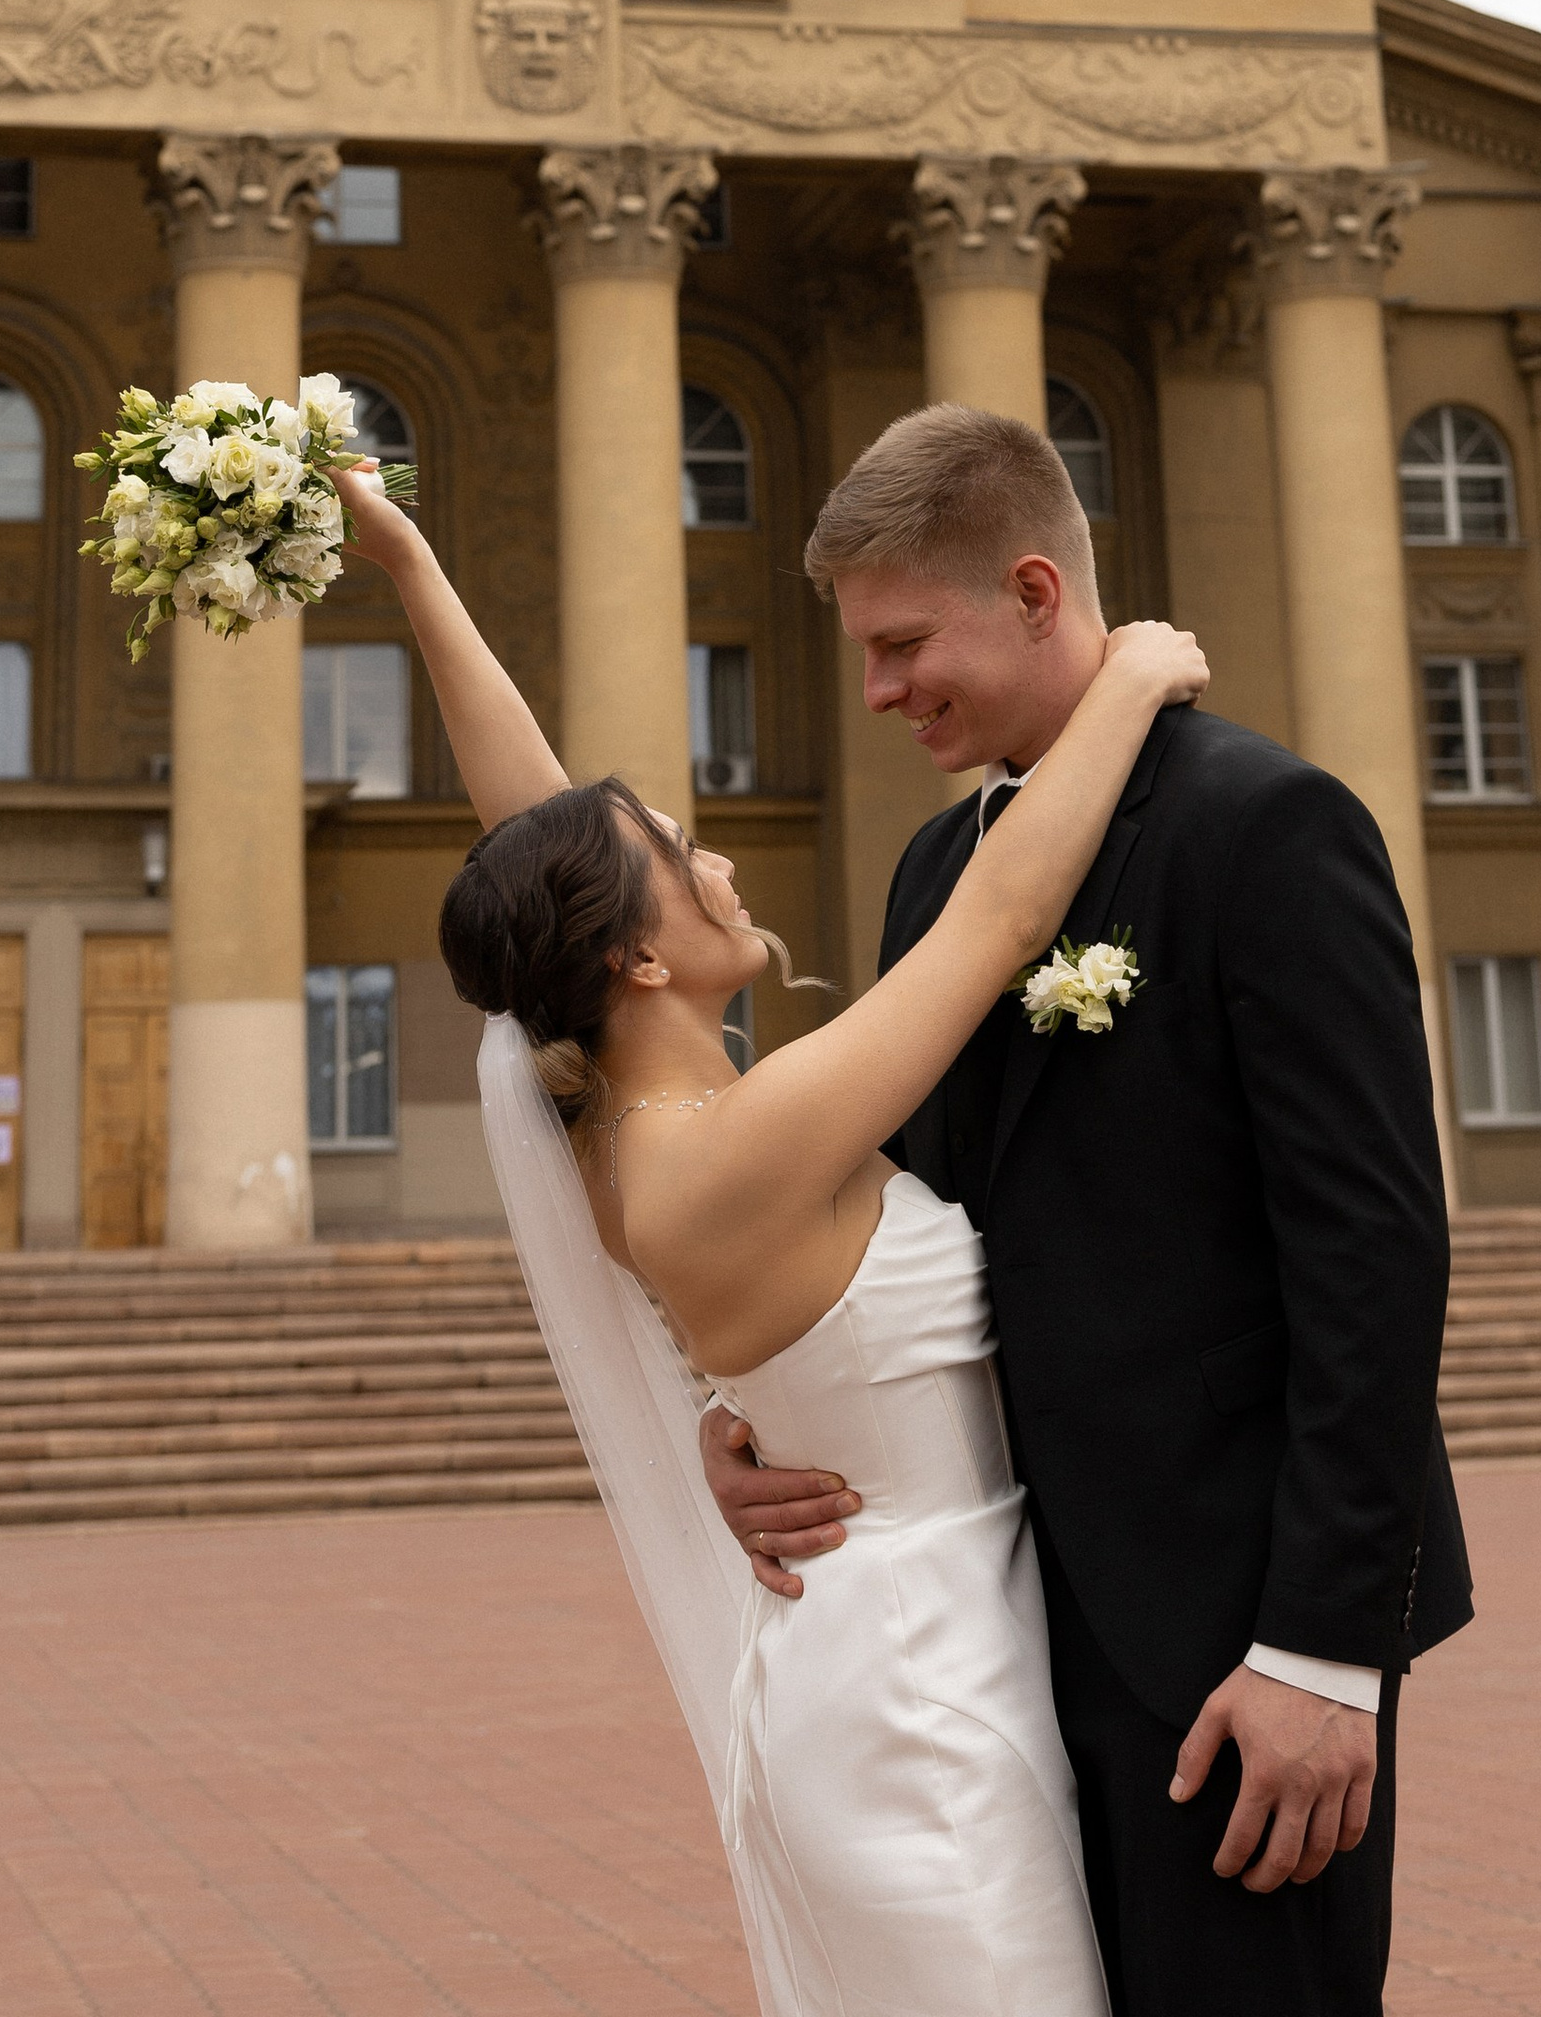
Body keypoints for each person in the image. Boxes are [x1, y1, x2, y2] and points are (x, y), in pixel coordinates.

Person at [331, 448, 1210, 2017]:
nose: (720, 861)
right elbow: (1001, 919)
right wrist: (1133, 673)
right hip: (921, 1695)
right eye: (684, 858)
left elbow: (538, 825)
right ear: (637, 959)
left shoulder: (616, 1131)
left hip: (895, 1652)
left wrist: (411, 570)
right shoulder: (742, 1142)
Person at [701, 402, 1473, 2017]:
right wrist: (757, 1407)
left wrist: (1326, 1653)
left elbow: (1375, 1258)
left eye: (906, 641)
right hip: (993, 1640)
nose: (880, 689)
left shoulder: (1267, 827)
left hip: (1230, 1646)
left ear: (1037, 591)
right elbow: (908, 1217)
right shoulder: (937, 875)